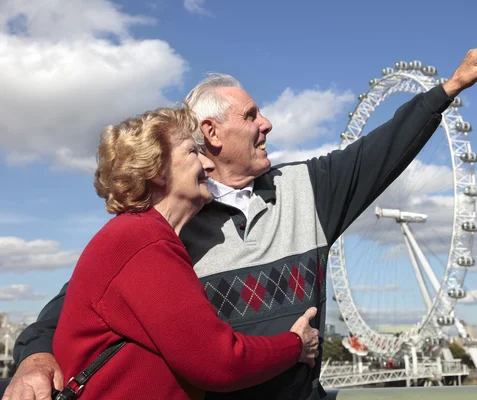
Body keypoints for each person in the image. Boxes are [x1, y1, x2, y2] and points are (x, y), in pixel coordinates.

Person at [5, 32, 477, 400]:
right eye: (251, 116)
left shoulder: (311, 190)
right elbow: (72, 309)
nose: (268, 124)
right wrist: (34, 360)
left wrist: (448, 89)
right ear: (211, 132)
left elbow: (379, 152)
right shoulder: (162, 230)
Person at [2, 107, 320, 400]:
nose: (209, 164)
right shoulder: (143, 241)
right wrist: (296, 345)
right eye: (193, 151)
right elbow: (220, 362)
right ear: (155, 169)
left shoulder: (135, 237)